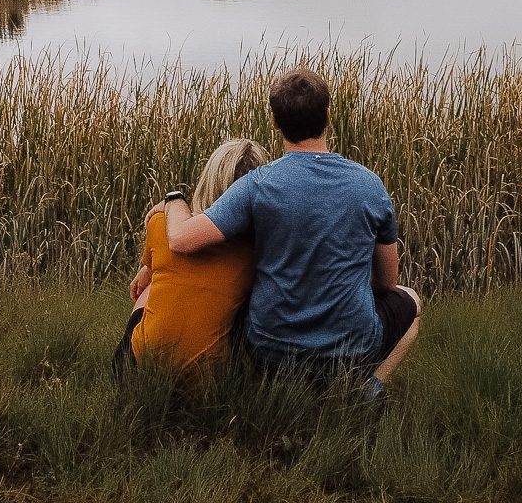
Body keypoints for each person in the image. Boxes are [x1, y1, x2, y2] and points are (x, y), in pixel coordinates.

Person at [164, 67, 421, 389]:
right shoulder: (370, 186)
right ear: (328, 115)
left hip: (269, 352)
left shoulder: (257, 185)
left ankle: (259, 387)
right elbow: (387, 282)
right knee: (411, 300)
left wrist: (173, 199)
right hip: (351, 349)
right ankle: (369, 389)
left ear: (275, 122)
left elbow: (181, 240)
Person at [116, 137, 265, 375]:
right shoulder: (257, 247)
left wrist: (149, 268)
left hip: (136, 371)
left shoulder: (162, 223)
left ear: (208, 180)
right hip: (212, 382)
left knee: (150, 287)